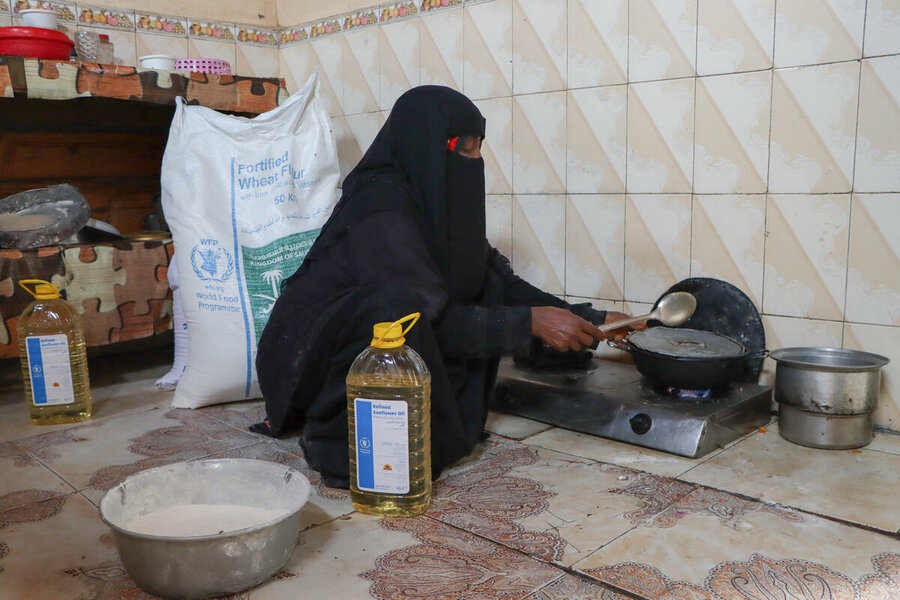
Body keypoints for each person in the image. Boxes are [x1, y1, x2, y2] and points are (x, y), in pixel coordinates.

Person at [254, 86, 634, 487]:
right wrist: (529, 324)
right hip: (314, 363)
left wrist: (591, 319)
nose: (475, 160)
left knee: (481, 283)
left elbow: (501, 283)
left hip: (390, 334)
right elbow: (418, 321)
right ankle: (339, 444)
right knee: (396, 308)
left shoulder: (436, 204)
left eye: (479, 147)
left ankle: (435, 424)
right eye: (464, 147)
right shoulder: (381, 213)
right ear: (424, 142)